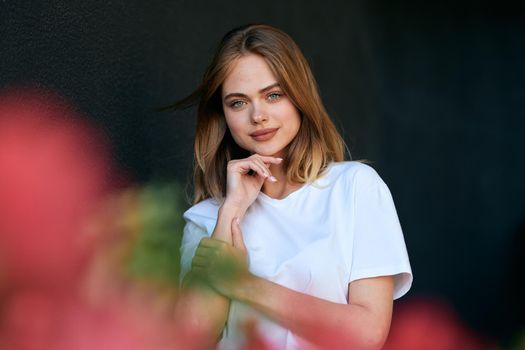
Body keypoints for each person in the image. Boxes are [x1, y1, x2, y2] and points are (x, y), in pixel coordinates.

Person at [174, 23, 412, 350]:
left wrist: (242, 284)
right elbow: (190, 338)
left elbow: (366, 334)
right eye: (238, 103)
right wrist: (230, 212)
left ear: (299, 97)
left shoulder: (355, 189)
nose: (258, 115)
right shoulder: (206, 218)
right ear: (223, 116)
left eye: (273, 95)